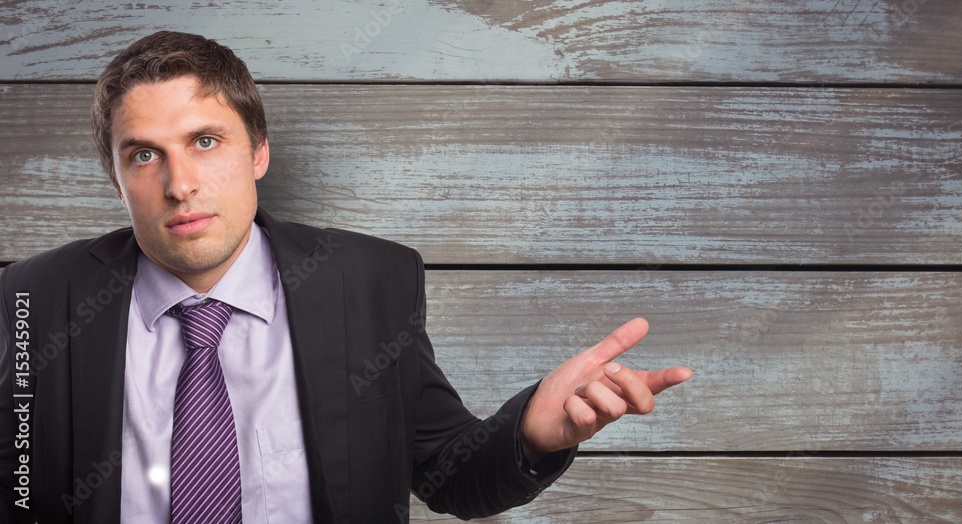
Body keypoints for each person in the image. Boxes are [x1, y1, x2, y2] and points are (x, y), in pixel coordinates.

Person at [0, 31, 692, 523]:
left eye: (205, 142)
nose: (180, 184)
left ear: (259, 154)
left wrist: (532, 435)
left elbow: (450, 476)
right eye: (144, 154)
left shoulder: (368, 282)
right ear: (117, 180)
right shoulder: (33, 298)